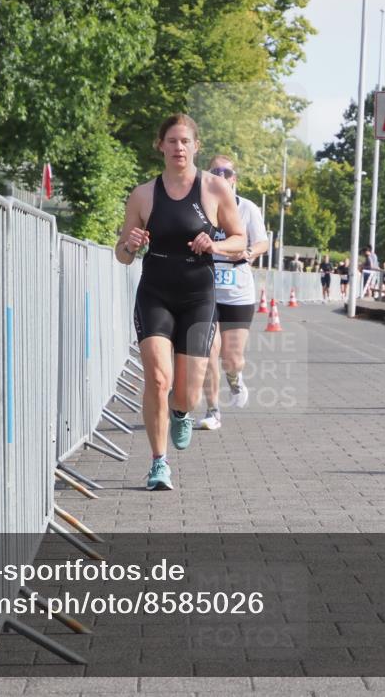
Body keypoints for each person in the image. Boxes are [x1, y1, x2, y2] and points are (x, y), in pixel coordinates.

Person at [116, 114, 245, 490]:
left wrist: (215, 244)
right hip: (155, 292)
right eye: (171, 141)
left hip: (197, 296)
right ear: (160, 145)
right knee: (157, 378)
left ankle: (180, 411)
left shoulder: (214, 188)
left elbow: (240, 239)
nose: (179, 148)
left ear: (196, 146)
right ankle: (158, 463)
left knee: (187, 392)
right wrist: (130, 245)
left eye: (185, 141)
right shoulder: (143, 194)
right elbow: (121, 254)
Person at [197, 155, 269, 431]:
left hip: (238, 290)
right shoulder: (201, 207)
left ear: (234, 179)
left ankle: (235, 378)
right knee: (208, 350)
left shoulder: (247, 208)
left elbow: (262, 242)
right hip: (206, 289)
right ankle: (213, 410)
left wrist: (249, 252)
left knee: (232, 358)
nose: (221, 176)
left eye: (226, 172)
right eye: (215, 171)